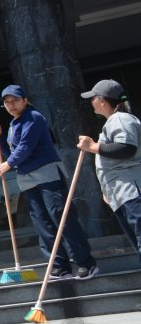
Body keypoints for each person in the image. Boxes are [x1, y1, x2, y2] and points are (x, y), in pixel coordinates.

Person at [0, 84, 99, 280]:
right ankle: (60, 266)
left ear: (25, 100)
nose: (11, 105)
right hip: (27, 178)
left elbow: (25, 147)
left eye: (15, 100)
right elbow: (10, 153)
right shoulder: (12, 126)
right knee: (42, 223)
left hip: (47, 172)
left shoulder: (34, 117)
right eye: (7, 102)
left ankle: (85, 263)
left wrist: (9, 163)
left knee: (61, 217)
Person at [77, 79, 141, 260]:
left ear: (103, 100)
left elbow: (126, 148)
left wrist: (93, 147)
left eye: (93, 98)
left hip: (133, 192)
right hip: (123, 194)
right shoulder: (116, 120)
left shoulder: (120, 118)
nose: (91, 102)